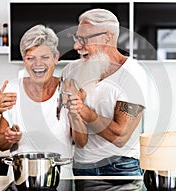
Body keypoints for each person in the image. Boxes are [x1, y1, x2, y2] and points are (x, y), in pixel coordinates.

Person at [0, 24, 86, 190]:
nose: (38, 64)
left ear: (55, 57)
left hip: (59, 180)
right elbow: (0, 144)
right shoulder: (12, 90)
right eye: (30, 58)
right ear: (24, 60)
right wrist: (8, 138)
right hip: (19, 181)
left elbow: (81, 142)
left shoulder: (69, 89)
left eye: (44, 57)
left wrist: (76, 114)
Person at [61, 8, 148, 179]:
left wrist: (82, 109)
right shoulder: (70, 71)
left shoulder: (133, 74)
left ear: (108, 37)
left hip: (121, 167)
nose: (76, 46)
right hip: (82, 166)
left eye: (83, 39)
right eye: (76, 38)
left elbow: (120, 136)